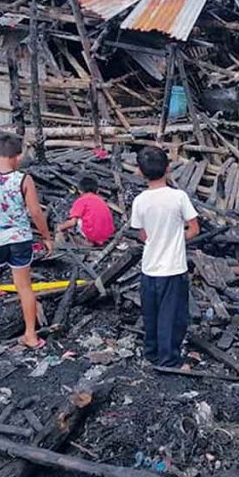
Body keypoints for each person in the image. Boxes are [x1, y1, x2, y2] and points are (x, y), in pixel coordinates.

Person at [0, 133, 53, 350]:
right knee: (24, 287)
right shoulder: (24, 179)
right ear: (18, 157)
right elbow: (35, 211)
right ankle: (31, 335)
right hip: (20, 239)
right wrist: (46, 237)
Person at [130, 146, 200, 368]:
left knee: (150, 313)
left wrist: (156, 239)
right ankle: (168, 358)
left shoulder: (140, 200)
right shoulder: (178, 197)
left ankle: (151, 352)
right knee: (172, 316)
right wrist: (177, 239)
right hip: (174, 267)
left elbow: (141, 233)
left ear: (140, 171)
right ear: (168, 169)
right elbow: (194, 228)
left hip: (149, 267)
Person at [57, 174, 114, 247]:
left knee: (77, 220)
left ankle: (89, 240)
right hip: (107, 235)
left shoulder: (81, 200)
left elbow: (72, 222)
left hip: (93, 235)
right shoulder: (101, 201)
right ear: (97, 191)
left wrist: (60, 228)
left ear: (80, 191)